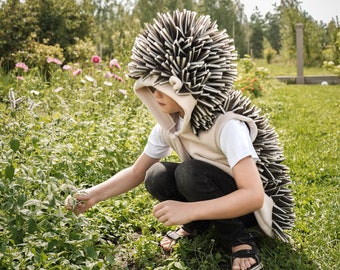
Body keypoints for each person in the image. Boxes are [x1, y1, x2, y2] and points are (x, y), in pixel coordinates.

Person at [65, 10, 294, 270]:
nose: (155, 94)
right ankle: (199, 225)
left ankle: (239, 239)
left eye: (163, 87)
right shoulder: (169, 126)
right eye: (151, 87)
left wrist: (190, 210)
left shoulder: (227, 126)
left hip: (247, 209)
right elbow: (136, 172)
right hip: (208, 188)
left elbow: (253, 195)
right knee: (156, 174)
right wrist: (93, 195)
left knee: (189, 172)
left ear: (191, 85)